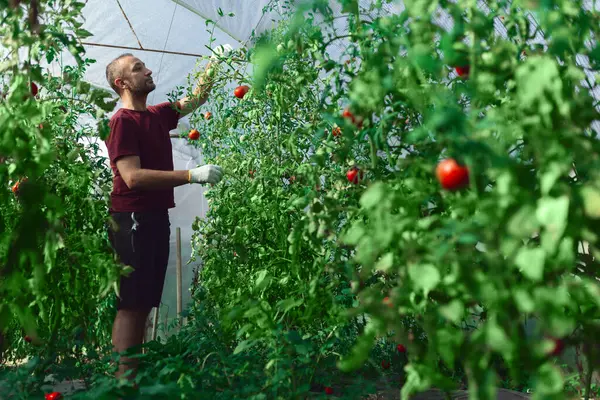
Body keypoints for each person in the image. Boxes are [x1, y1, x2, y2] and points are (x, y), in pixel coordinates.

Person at [103, 44, 232, 383]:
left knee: (144, 300)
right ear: (122, 83)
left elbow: (196, 99)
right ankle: (122, 381)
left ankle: (131, 376)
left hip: (155, 217)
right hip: (131, 221)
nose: (147, 71)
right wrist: (191, 175)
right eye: (138, 68)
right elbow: (132, 177)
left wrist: (214, 64)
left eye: (145, 66)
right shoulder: (122, 122)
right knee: (131, 303)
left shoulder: (157, 115)